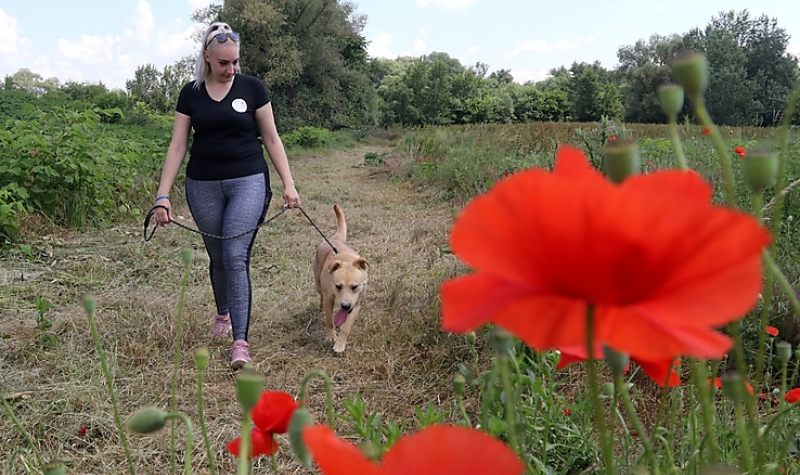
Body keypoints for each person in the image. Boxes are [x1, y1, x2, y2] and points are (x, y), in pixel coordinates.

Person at [153, 21, 300, 369]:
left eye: (235, 62)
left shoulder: (252, 89)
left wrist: (289, 184)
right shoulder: (190, 93)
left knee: (235, 255)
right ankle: (223, 314)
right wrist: (162, 195)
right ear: (207, 57)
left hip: (248, 180)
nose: (231, 69)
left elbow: (273, 139)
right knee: (217, 255)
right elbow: (177, 146)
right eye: (224, 63)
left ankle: (240, 342)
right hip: (202, 185)